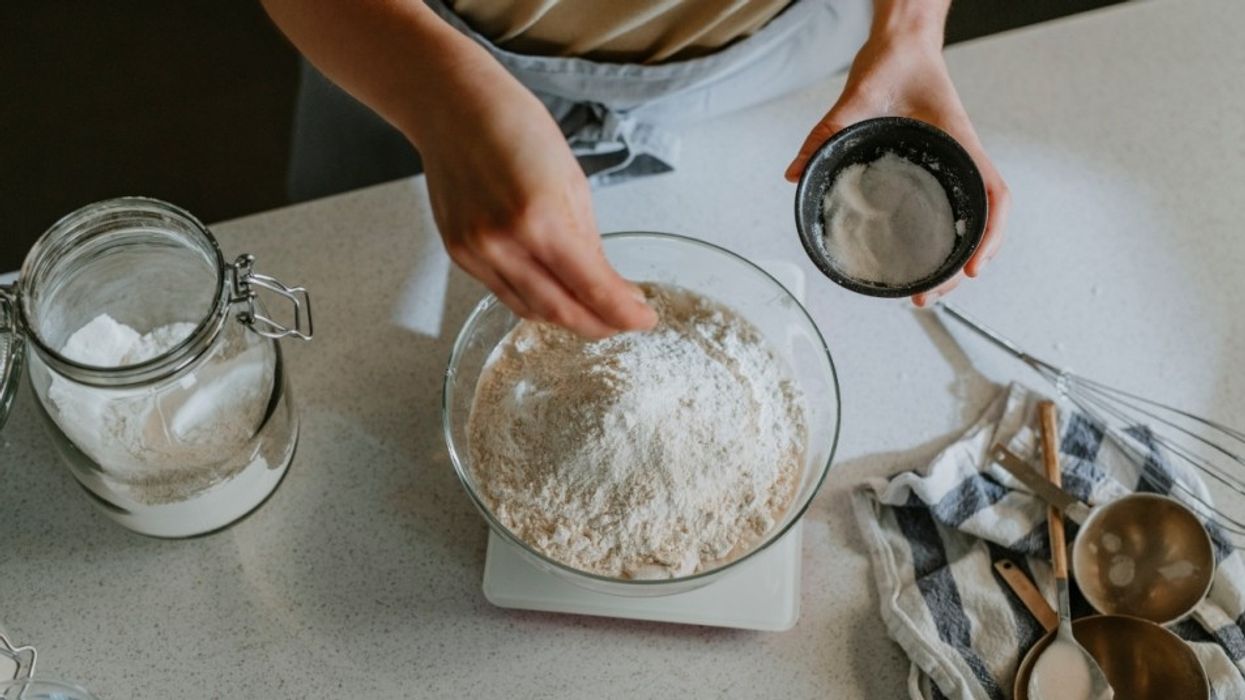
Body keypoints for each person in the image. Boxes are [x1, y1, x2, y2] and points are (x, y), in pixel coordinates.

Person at [262, 0, 1010, 338]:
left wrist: (911, 30)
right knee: (337, 288)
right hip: (400, 38)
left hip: (773, 55)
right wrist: (438, 99)